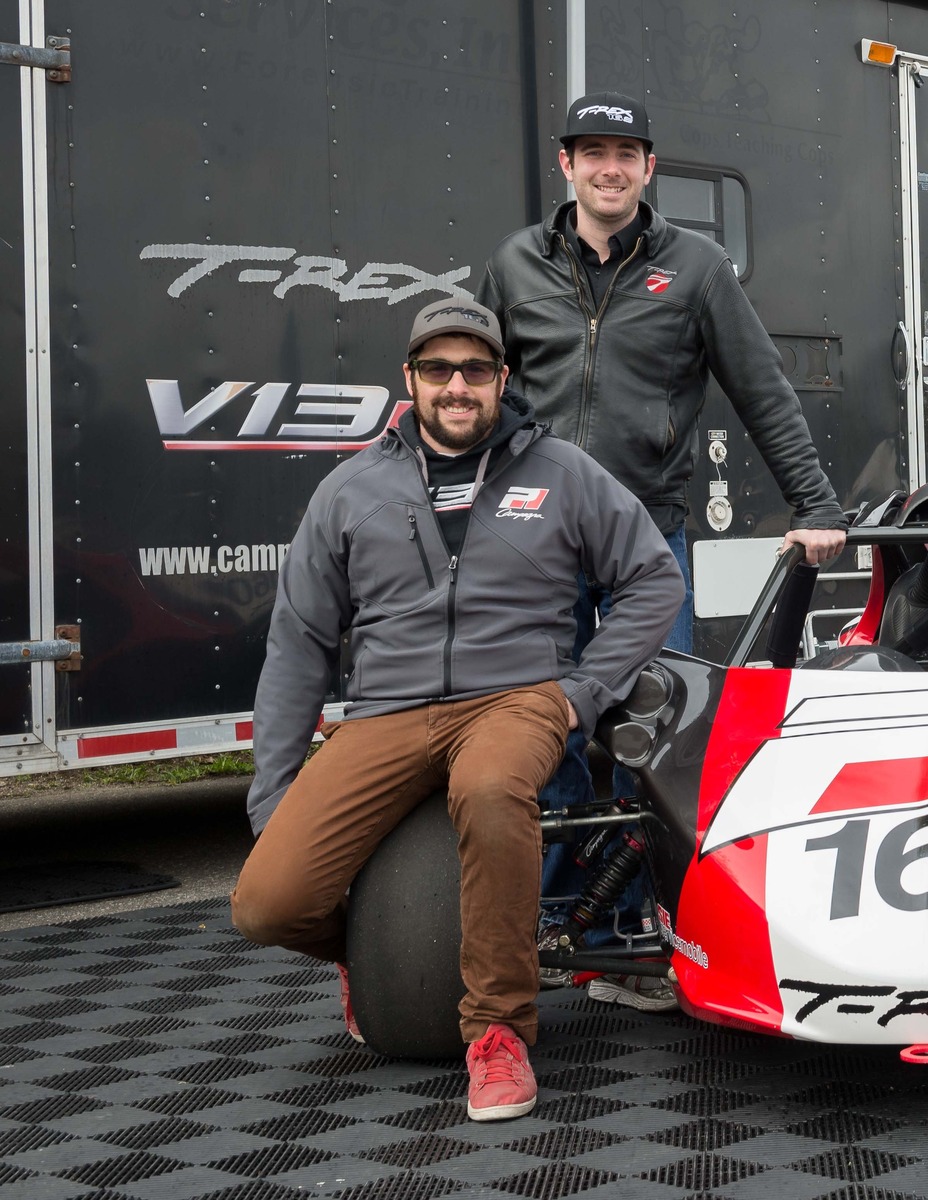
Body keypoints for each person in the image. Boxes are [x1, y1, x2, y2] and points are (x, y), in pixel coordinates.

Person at [230, 298, 683, 1122]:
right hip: (386, 711)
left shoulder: (564, 472)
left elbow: (655, 578)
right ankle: (372, 959)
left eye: (475, 369)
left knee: (489, 788)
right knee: (267, 903)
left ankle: (498, 1033)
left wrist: (583, 692)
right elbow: (298, 644)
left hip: (517, 696)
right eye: (437, 369)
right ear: (409, 380)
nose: (457, 385)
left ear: (502, 379)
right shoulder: (349, 489)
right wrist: (273, 801)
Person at [476, 91, 846, 1011]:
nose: (609, 168)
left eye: (626, 153)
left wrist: (815, 503)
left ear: (649, 168)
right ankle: (571, 930)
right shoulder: (516, 265)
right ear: (566, 164)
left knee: (657, 732)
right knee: (548, 730)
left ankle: (659, 931)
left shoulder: (697, 268)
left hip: (644, 535)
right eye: (592, 152)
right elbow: (476, 391)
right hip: (534, 539)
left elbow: (762, 389)